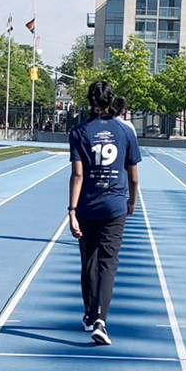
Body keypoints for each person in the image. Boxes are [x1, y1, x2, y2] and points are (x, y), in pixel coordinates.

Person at [68, 81, 142, 345]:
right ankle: (101, 319)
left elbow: (77, 175)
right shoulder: (125, 132)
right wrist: (132, 202)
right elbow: (133, 177)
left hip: (87, 204)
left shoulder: (78, 132)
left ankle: (90, 313)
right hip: (115, 206)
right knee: (108, 262)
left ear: (89, 101)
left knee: (88, 260)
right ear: (112, 101)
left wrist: (72, 211)